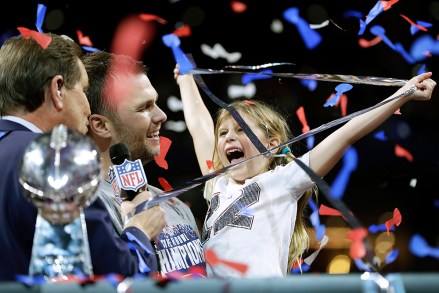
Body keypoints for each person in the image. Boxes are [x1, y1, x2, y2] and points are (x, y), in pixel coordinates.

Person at [174, 65, 436, 278]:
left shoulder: (283, 181)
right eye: (223, 133)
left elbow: (347, 133)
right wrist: (186, 81)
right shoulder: (218, 184)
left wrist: (403, 94)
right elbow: (199, 128)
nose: (229, 138)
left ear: (272, 145)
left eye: (242, 129)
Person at [0, 32, 166, 281]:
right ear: (58, 89)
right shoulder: (55, 157)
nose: (88, 109)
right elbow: (114, 272)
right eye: (83, 89)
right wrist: (139, 231)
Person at [82, 51, 207, 278]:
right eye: (144, 108)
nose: (161, 116)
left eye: (155, 104)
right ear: (100, 125)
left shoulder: (175, 205)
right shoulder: (89, 209)